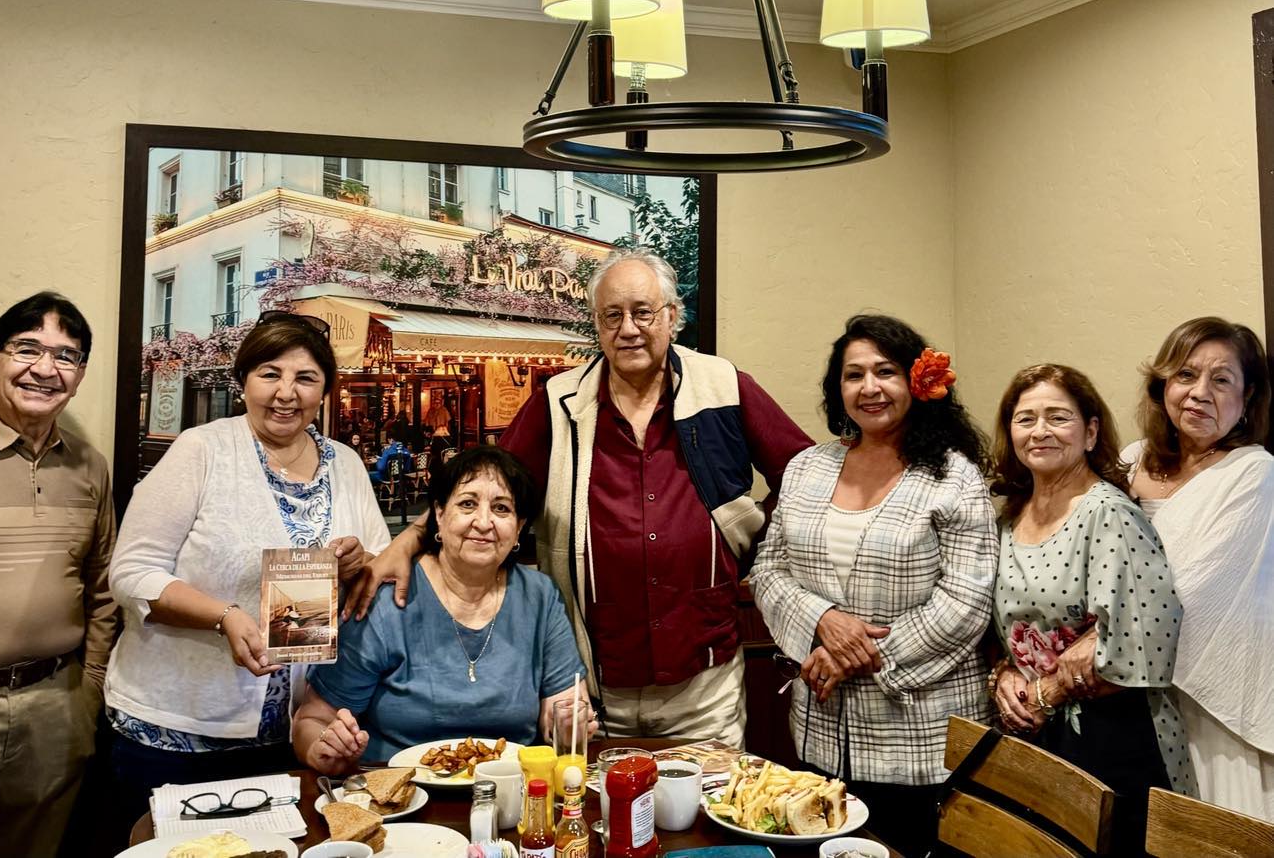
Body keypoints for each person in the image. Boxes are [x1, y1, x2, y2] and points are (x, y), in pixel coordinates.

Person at [352, 247, 812, 746]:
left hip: (704, 688)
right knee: (600, 820)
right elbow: (489, 482)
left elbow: (808, 476)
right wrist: (412, 539)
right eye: (612, 316)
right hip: (594, 689)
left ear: (672, 317)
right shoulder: (559, 402)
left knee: (702, 816)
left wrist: (754, 543)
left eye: (643, 312)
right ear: (596, 324)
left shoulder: (724, 386)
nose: (628, 329)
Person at [103, 311, 391, 824]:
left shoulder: (345, 464)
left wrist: (356, 562)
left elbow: (375, 564)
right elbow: (131, 572)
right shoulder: (203, 450)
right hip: (179, 726)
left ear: (324, 389)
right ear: (243, 382)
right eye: (270, 374)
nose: (286, 392)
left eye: (305, 378)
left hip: (294, 731)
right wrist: (224, 616)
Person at [750, 314, 996, 857]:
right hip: (821, 727)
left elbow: (967, 599)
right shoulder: (808, 467)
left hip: (920, 734)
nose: (869, 388)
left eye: (885, 372)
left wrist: (853, 655)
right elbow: (767, 568)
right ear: (838, 389)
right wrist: (821, 621)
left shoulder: (954, 476)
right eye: (853, 374)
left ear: (916, 382)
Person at [989, 363, 1193, 853]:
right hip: (1040, 741)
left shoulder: (1108, 513)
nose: (1040, 431)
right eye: (1026, 419)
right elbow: (1008, 629)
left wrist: (1042, 695)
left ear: (1090, 431)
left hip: (1117, 744)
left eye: (1058, 417)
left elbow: (1141, 644)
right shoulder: (1008, 518)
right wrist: (1005, 675)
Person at [294, 446, 592, 771]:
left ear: (519, 526)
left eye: (501, 509)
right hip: (401, 799)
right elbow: (313, 719)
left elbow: (565, 706)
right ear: (438, 514)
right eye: (467, 504)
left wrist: (568, 725)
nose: (483, 522)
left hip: (513, 794)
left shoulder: (539, 597)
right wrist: (325, 749)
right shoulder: (388, 599)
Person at [1123, 318, 1273, 820]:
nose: (1199, 393)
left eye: (1222, 380)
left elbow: (1192, 588)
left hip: (1208, 695)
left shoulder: (1254, 471)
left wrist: (1098, 644)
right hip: (1128, 689)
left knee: (1210, 828)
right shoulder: (1129, 461)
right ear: (1164, 383)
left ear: (1247, 397)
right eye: (1186, 375)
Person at [0, 292, 116, 858]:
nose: (45, 369)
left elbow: (104, 586)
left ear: (81, 374)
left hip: (55, 703)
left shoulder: (89, 465)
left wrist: (87, 689)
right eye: (27, 349)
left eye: (66, 356)